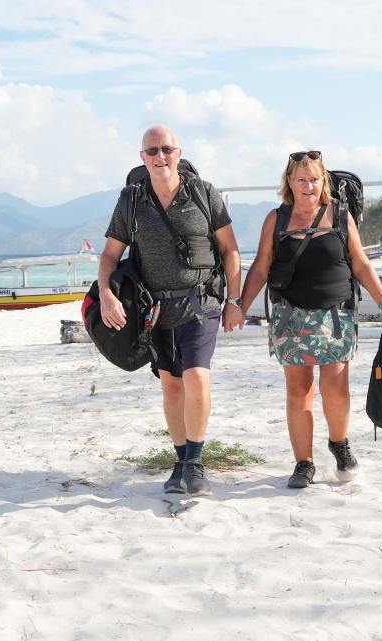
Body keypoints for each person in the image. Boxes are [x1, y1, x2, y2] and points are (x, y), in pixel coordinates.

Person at [238, 150, 382, 488]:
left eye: (314, 179)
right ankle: (303, 463)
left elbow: (360, 263)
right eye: (301, 179)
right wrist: (241, 304)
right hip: (289, 316)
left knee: (335, 388)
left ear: (323, 181)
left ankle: (339, 444)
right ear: (289, 183)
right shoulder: (276, 219)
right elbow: (261, 267)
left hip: (335, 315)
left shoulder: (340, 216)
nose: (308, 185)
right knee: (299, 391)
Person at [98, 125, 244, 496]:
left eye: (166, 149)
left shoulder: (203, 193)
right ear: (142, 157)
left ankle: (195, 463)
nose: (160, 157)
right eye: (152, 151)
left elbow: (230, 250)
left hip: (202, 302)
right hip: (156, 309)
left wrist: (235, 300)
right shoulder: (131, 201)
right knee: (171, 386)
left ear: (179, 153)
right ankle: (180, 461)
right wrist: (106, 294)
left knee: (196, 376)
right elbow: (110, 255)